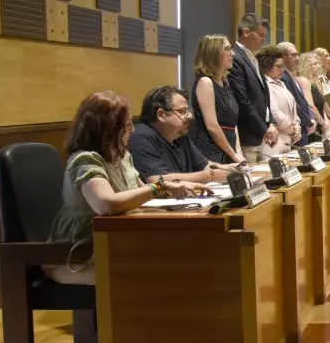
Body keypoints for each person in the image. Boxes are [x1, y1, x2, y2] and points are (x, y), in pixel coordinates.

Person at [47, 91, 208, 284]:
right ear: (107, 129)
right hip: (78, 257)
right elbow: (106, 205)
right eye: (126, 125)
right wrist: (159, 187)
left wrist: (174, 189)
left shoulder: (122, 156)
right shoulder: (86, 160)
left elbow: (143, 195)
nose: (132, 130)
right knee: (157, 272)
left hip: (116, 244)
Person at [130, 86, 228, 184]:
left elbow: (205, 166)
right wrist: (210, 176)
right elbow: (157, 180)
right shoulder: (141, 137)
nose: (190, 116)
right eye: (183, 111)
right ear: (161, 115)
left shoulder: (180, 134)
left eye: (188, 110)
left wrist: (234, 169)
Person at [230, 13, 278, 163]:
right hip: (248, 134)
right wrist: (263, 128)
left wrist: (270, 123)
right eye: (261, 35)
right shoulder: (235, 58)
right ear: (246, 32)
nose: (263, 41)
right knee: (253, 183)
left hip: (260, 134)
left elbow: (263, 97)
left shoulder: (252, 58)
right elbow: (242, 99)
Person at [192, 34, 243, 165]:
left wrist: (238, 151)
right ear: (213, 53)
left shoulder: (225, 82)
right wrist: (233, 154)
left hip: (229, 149)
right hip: (212, 151)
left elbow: (233, 122)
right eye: (227, 49)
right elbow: (212, 126)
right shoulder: (205, 82)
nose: (232, 53)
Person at [257, 45, 301, 157]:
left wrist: (297, 126)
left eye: (283, 66)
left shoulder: (281, 84)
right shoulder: (265, 83)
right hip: (275, 139)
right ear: (267, 66)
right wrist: (292, 131)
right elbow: (274, 111)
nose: (282, 70)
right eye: (279, 66)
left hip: (288, 137)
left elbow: (292, 110)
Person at [277, 42, 317, 146]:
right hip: (295, 129)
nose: (298, 58)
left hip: (302, 127)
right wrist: (308, 121)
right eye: (293, 55)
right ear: (282, 56)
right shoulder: (283, 77)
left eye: (297, 54)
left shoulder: (290, 75)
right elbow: (294, 103)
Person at [297, 51, 330, 137]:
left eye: (319, 63)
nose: (319, 66)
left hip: (321, 124)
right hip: (312, 126)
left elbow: (321, 104)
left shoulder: (314, 82)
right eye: (315, 64)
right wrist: (323, 122)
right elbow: (310, 105)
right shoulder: (303, 80)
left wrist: (326, 120)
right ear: (306, 66)